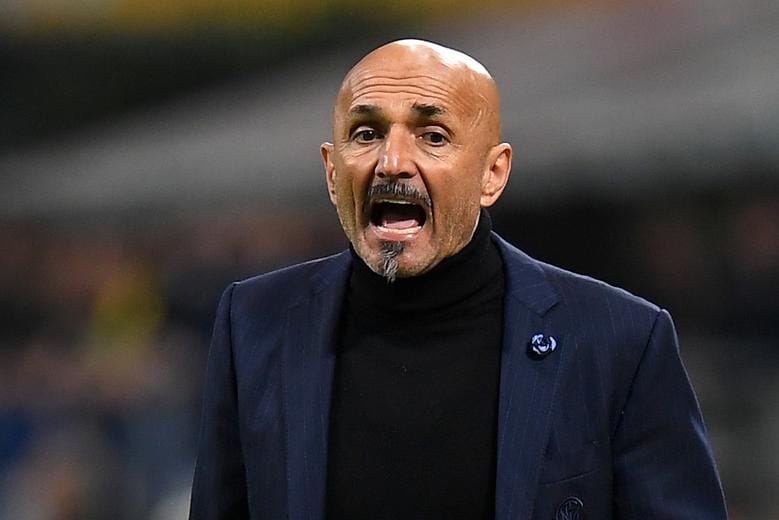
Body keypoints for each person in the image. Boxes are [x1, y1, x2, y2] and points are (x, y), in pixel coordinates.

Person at [189, 39, 726, 519]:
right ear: (333, 173)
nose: (392, 162)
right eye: (367, 133)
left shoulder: (619, 339)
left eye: (433, 136)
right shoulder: (254, 323)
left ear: (493, 174)